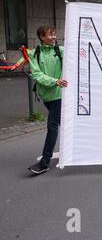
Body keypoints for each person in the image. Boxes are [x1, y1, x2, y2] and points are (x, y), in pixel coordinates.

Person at [27, 26, 68, 175]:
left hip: (59, 94)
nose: (53, 37)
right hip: (46, 96)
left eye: (54, 34)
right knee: (64, 124)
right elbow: (37, 75)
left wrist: (57, 82)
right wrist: (54, 81)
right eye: (50, 35)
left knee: (52, 127)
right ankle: (77, 150)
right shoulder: (35, 53)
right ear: (42, 37)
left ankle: (44, 162)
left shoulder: (61, 51)